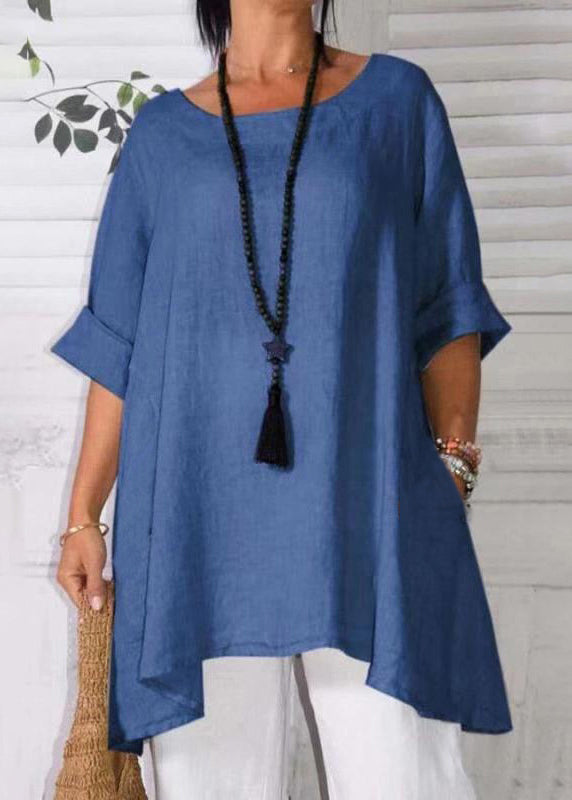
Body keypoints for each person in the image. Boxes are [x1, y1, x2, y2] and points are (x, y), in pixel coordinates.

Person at [51, 1, 513, 797]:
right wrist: (83, 516)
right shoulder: (162, 136)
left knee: (404, 779)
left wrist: (452, 472)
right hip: (196, 528)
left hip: (368, 512)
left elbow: (447, 307)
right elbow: (118, 346)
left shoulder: (398, 102)